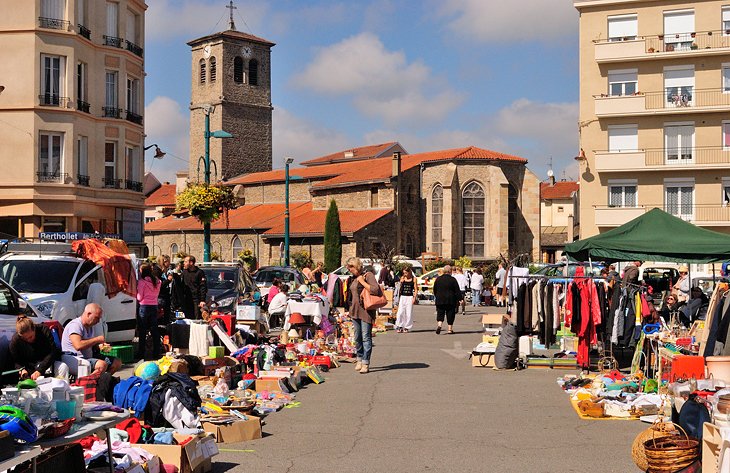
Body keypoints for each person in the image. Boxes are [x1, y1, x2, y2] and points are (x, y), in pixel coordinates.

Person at [61, 303, 121, 377]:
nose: (98, 321)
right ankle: (88, 384)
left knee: (117, 363)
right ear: (88, 314)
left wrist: (99, 346)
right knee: (101, 365)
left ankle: (101, 381)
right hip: (75, 359)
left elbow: (89, 343)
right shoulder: (75, 325)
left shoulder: (90, 326)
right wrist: (97, 339)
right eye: (97, 318)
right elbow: (78, 345)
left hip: (89, 357)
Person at [347, 257, 381, 374]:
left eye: (350, 267)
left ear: (356, 266)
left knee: (366, 337)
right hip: (355, 311)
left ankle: (366, 362)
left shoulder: (368, 275)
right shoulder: (352, 278)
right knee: (357, 337)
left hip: (366, 311)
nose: (349, 270)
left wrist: (362, 282)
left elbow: (375, 289)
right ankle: (359, 359)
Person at [10, 316, 69, 380]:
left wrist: (40, 370)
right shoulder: (15, 341)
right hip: (30, 367)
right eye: (25, 339)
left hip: (47, 362)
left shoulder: (44, 330)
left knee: (63, 367)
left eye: (31, 337)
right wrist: (21, 369)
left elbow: (52, 352)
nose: (29, 340)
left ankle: (63, 388)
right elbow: (16, 360)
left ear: (34, 329)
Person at [137, 263, 162, 360]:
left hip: (144, 306)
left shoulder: (142, 282)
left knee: (142, 331)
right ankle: (156, 352)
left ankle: (141, 353)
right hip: (154, 305)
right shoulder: (157, 281)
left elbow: (140, 297)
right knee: (154, 330)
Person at [433, 265, 463, 334]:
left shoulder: (438, 279)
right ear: (450, 271)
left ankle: (439, 325)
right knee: (450, 314)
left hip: (440, 299)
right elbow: (457, 290)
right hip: (450, 300)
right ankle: (450, 329)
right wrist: (460, 299)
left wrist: (437, 296)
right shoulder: (453, 280)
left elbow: (435, 289)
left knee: (440, 313)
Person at [395, 267, 416, 333]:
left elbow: (415, 289)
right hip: (403, 296)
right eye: (404, 273)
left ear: (409, 272)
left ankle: (407, 327)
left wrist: (414, 297)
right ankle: (399, 325)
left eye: (406, 273)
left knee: (408, 312)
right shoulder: (403, 278)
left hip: (409, 296)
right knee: (400, 312)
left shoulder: (414, 279)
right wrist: (401, 282)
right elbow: (399, 287)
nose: (405, 274)